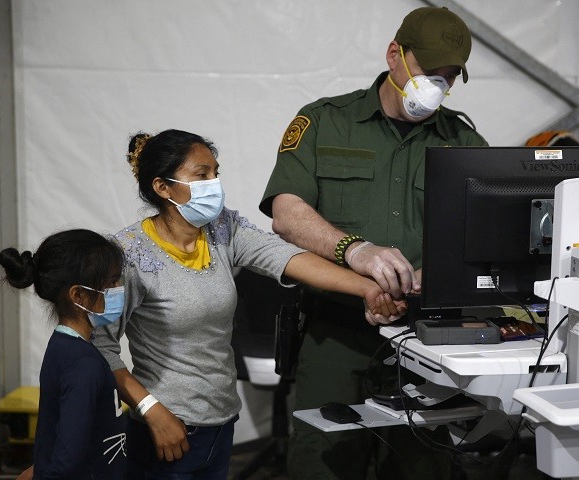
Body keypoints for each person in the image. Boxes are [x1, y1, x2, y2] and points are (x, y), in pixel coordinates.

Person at [91, 129, 407, 480]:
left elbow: (284, 257)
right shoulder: (127, 255)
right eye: (201, 175)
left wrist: (367, 288)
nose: (214, 184)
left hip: (221, 421)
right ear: (162, 187)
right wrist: (152, 411)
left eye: (215, 173)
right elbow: (99, 344)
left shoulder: (221, 228)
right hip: (166, 428)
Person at [259, 6, 488, 480]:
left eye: (448, 78)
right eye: (428, 72)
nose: (436, 88)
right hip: (335, 336)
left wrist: (442, 273)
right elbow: (287, 214)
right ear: (394, 55)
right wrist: (356, 251)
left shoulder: (463, 142)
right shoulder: (325, 121)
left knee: (417, 465)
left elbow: (484, 234)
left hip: (425, 343)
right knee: (324, 464)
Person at [0, 229, 127, 480]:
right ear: (78, 295)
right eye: (111, 282)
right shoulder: (83, 364)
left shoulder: (63, 347)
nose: (119, 288)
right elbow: (68, 458)